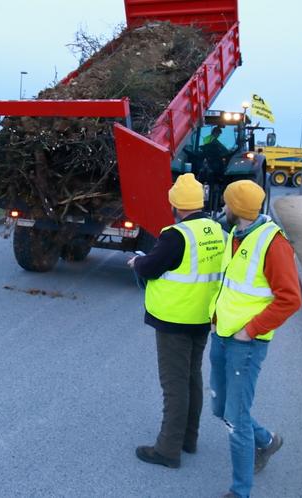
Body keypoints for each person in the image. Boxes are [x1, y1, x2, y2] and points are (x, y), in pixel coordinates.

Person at [209, 180, 302, 498]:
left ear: (237, 209)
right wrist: (217, 320)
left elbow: (290, 299)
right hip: (223, 337)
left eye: (226, 204)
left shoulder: (274, 244)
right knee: (221, 409)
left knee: (235, 419)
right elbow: (231, 285)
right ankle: (267, 440)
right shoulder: (236, 234)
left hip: (246, 345)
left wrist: (250, 331)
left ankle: (240, 491)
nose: (223, 208)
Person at [128, 173, 226, 468]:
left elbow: (152, 267)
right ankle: (188, 438)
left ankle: (167, 449)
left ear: (175, 205)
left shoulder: (176, 236)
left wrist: (137, 262)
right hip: (201, 318)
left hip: (174, 320)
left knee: (174, 385)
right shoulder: (215, 229)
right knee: (192, 378)